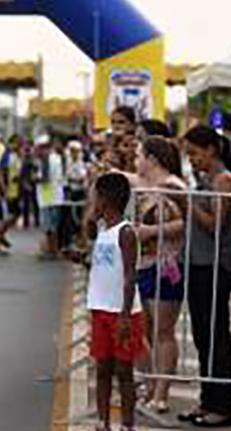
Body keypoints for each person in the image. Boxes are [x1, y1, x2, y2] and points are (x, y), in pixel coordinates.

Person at [179, 125, 231, 428]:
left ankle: (222, 407)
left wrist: (188, 202)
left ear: (211, 149)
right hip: (199, 265)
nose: (190, 159)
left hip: (217, 266)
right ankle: (207, 402)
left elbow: (215, 225)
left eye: (193, 153)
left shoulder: (224, 181)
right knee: (203, 336)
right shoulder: (205, 180)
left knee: (217, 337)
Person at [131, 137, 187, 413]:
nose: (135, 159)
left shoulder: (173, 186)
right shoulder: (146, 186)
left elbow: (184, 223)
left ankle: (161, 394)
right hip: (144, 265)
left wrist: (151, 231)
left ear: (152, 159)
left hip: (167, 265)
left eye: (139, 154)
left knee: (163, 332)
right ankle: (152, 384)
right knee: (144, 330)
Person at [87, 172, 144, 431]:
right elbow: (103, 265)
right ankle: (103, 421)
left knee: (124, 372)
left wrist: (124, 315)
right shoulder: (102, 230)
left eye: (95, 197)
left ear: (106, 200)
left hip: (122, 313)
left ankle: (128, 424)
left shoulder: (126, 233)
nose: (92, 202)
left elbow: (130, 275)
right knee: (102, 369)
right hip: (100, 309)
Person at [0, 135, 23, 255]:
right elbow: (0, 174)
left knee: (14, 216)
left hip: (15, 191)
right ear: (11, 143)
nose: (19, 146)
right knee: (7, 217)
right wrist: (4, 190)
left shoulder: (16, 155)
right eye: (17, 143)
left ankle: (1, 235)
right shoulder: (7, 155)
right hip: (7, 191)